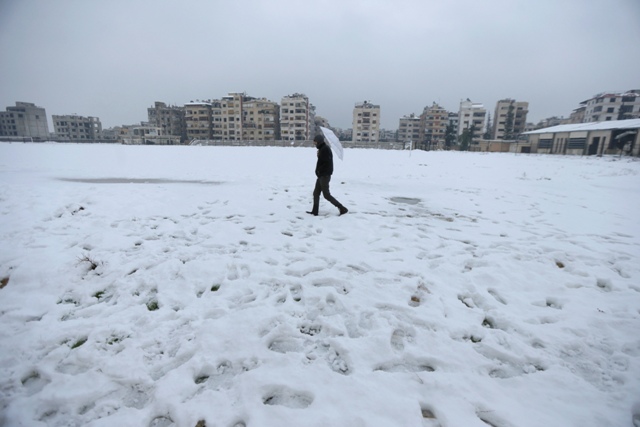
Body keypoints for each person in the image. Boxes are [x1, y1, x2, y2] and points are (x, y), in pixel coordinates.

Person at [307, 134, 348, 216]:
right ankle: (315, 211)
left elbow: (326, 163)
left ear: (319, 142)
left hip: (324, 176)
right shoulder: (323, 149)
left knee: (326, 195)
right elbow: (322, 161)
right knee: (316, 193)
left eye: (315, 143)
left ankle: (342, 208)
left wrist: (319, 171)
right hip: (321, 175)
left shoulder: (325, 149)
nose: (315, 144)